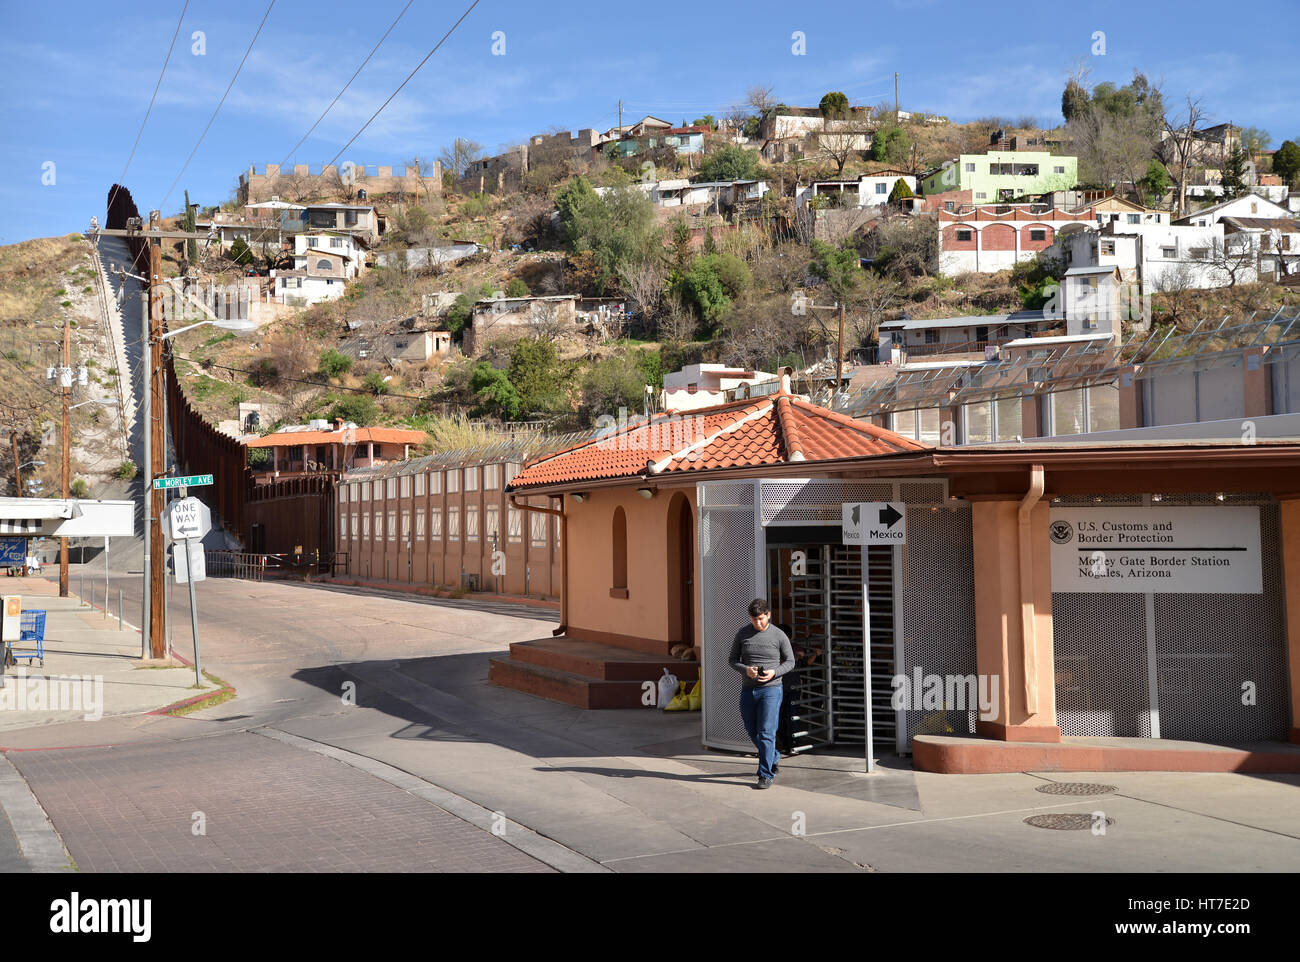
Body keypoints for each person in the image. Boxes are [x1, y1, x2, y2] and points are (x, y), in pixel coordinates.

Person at [729, 598, 794, 789]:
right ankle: (772, 755)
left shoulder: (779, 635)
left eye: (761, 618)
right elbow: (732, 660)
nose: (757, 623)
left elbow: (790, 661)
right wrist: (745, 669)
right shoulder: (742, 634)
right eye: (754, 619)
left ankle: (765, 775)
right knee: (751, 729)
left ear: (768, 615)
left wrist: (775, 672)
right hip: (748, 689)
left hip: (772, 690)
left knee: (766, 732)